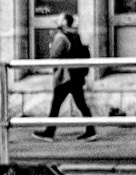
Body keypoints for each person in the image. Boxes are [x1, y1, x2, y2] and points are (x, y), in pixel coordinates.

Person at [32, 13, 97, 141]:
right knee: (81, 104)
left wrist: (51, 45)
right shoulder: (74, 36)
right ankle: (91, 131)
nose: (57, 20)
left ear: (64, 23)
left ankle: (49, 133)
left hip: (65, 78)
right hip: (75, 76)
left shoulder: (61, 37)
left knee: (56, 104)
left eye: (60, 19)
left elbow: (54, 55)